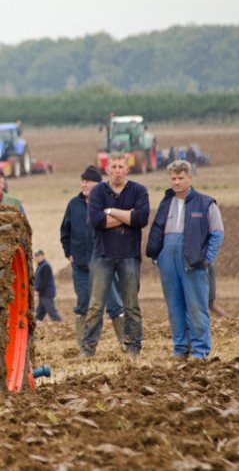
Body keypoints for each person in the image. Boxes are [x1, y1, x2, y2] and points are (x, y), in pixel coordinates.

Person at [147, 160, 224, 359]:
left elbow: (217, 233)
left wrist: (207, 259)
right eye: (173, 178)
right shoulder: (166, 201)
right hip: (168, 260)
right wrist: (157, 256)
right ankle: (180, 349)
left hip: (193, 262)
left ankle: (200, 351)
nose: (177, 182)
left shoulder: (205, 203)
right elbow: (157, 229)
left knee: (197, 307)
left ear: (189, 178)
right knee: (175, 307)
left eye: (181, 178)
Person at [81, 153, 150, 358]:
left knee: (131, 304)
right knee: (95, 305)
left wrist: (110, 211)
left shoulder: (138, 190)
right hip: (102, 255)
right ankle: (87, 349)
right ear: (107, 169)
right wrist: (127, 216)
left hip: (129, 255)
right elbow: (96, 221)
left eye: (121, 166)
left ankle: (133, 347)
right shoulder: (98, 191)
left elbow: (141, 218)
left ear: (127, 169)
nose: (117, 170)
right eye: (114, 166)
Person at [60, 165, 126, 351]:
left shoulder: (109, 203)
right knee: (83, 305)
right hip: (81, 266)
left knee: (115, 305)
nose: (84, 184)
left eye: (87, 181)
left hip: (105, 263)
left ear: (98, 184)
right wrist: (69, 252)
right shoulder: (73, 204)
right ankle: (84, 346)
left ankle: (126, 344)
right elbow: (65, 230)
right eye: (82, 181)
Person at [34, 250, 62, 322]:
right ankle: (37, 321)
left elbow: (44, 280)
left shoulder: (45, 266)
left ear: (43, 256)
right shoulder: (40, 266)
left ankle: (58, 321)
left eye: (39, 256)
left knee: (50, 309)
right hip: (43, 292)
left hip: (47, 292)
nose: (37, 258)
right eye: (36, 256)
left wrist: (38, 290)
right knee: (40, 310)